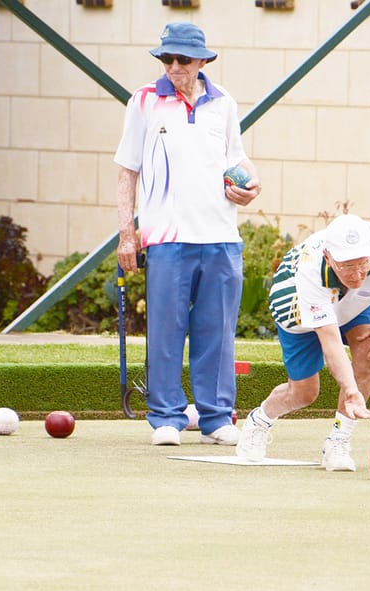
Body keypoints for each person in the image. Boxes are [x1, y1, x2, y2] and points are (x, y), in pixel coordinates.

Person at [114, 22, 261, 447]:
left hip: (221, 235)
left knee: (217, 332)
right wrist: (128, 233)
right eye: (167, 58)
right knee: (165, 330)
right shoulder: (143, 101)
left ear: (202, 61)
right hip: (166, 237)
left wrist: (254, 186)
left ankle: (216, 419)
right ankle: (165, 417)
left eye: (182, 59)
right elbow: (127, 170)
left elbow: (239, 159)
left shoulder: (224, 103)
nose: (174, 66)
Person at [236, 214, 370, 470]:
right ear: (329, 257)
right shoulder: (310, 271)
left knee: (369, 348)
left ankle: (339, 441)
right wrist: (351, 391)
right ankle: (260, 420)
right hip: (297, 309)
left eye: (363, 264)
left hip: (358, 304)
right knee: (305, 393)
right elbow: (331, 344)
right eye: (347, 266)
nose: (357, 273)